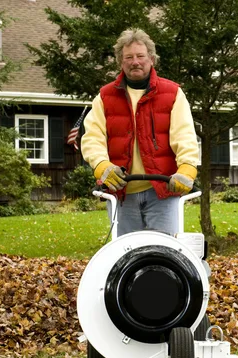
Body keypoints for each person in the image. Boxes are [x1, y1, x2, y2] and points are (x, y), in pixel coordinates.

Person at [81, 28, 199, 237]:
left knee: (163, 253)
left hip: (163, 192)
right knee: (126, 255)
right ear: (121, 62)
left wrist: (187, 168)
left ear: (151, 59)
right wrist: (102, 166)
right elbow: (92, 138)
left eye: (140, 56)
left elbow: (185, 136)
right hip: (122, 194)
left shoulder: (172, 93)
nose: (135, 61)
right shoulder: (104, 96)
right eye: (129, 57)